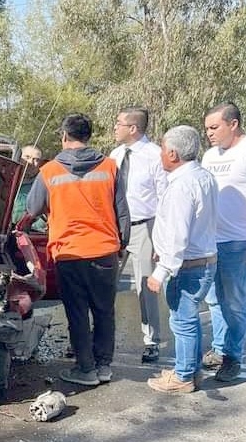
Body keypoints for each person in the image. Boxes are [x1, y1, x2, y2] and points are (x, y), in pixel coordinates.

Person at [27, 113, 130, 386]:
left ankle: (86, 369)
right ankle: (104, 366)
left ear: (64, 136)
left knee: (77, 312)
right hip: (104, 250)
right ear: (88, 137)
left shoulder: (49, 171)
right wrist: (122, 245)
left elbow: (32, 209)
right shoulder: (109, 167)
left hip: (69, 252)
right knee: (104, 310)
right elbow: (122, 213)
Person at [146, 126, 218, 394]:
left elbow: (178, 235)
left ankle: (184, 376)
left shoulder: (182, 186)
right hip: (203, 260)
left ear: (173, 153)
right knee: (190, 320)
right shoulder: (203, 177)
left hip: (186, 266)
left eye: (163, 150)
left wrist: (161, 272)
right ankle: (190, 368)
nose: (161, 155)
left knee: (182, 321)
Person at [200, 101, 246, 382]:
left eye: (214, 127)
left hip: (240, 240)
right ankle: (220, 349)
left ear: (233, 124)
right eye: (207, 128)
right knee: (214, 300)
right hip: (211, 241)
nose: (209, 133)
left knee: (234, 301)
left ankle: (232, 357)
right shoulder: (209, 156)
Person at [110, 107, 168, 363]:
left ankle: (151, 340)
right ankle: (100, 337)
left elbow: (165, 198)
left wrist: (161, 238)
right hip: (114, 228)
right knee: (105, 285)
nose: (115, 127)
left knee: (146, 286)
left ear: (133, 128)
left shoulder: (156, 155)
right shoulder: (115, 155)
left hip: (144, 227)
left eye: (119, 123)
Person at [12, 144, 44, 224]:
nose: (30, 162)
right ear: (19, 158)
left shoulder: (42, 187)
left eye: (36, 159)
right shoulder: (8, 181)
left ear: (40, 164)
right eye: (27, 157)